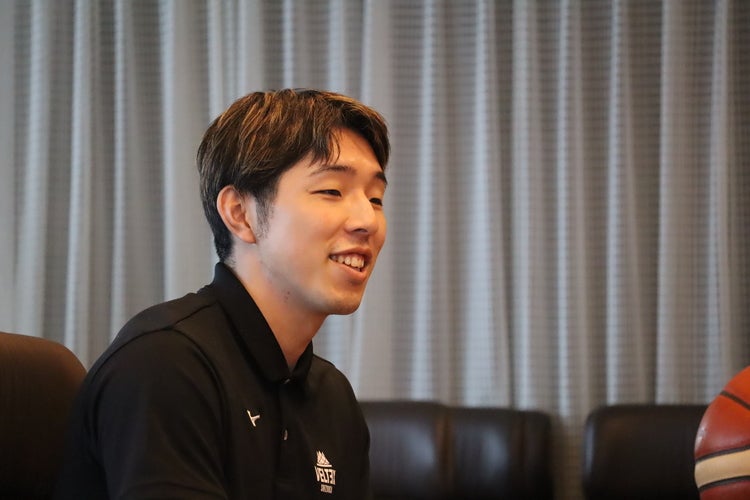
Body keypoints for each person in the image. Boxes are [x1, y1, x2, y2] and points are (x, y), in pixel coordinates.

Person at [54, 89, 390, 499]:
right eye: (332, 191)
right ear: (240, 213)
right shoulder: (165, 364)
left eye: (376, 198)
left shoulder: (333, 397)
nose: (367, 220)